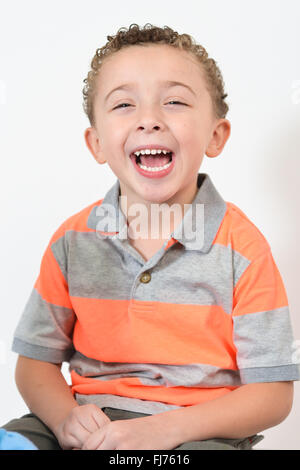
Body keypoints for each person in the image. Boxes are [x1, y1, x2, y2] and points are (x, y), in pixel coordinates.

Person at [1, 23, 299, 451]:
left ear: (216, 135)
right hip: (87, 418)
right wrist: (66, 419)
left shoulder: (243, 247)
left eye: (174, 101)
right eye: (124, 104)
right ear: (97, 142)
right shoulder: (72, 241)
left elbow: (272, 394)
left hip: (194, 433)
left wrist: (164, 431)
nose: (149, 120)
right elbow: (34, 365)